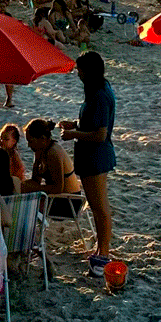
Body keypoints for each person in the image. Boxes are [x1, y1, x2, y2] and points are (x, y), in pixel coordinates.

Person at [59, 51, 116, 277]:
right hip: (93, 156)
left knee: (100, 208)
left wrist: (73, 134)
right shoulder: (100, 90)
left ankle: (103, 253)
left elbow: (100, 134)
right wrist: (75, 124)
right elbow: (92, 123)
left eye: (80, 69)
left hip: (96, 156)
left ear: (89, 71)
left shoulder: (100, 95)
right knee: (98, 207)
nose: (77, 73)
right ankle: (101, 249)